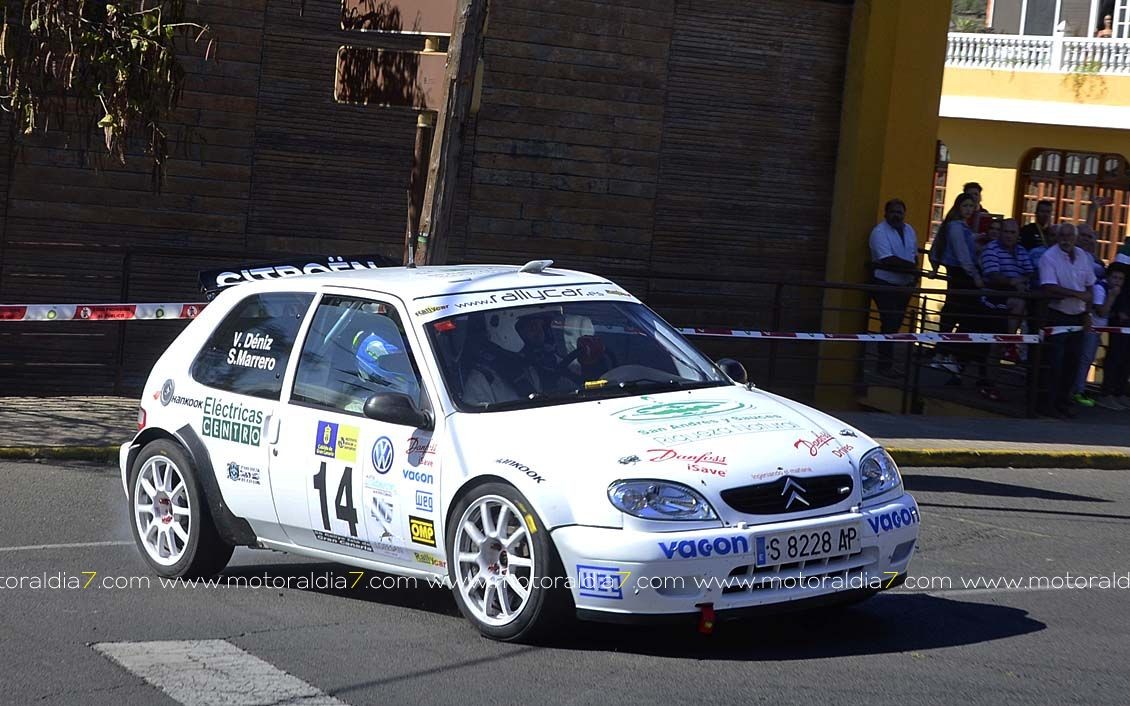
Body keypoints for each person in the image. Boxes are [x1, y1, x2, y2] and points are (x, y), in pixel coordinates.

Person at [1039, 223, 1097, 417]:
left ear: (1075, 238)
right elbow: (1048, 287)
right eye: (1062, 236)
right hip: (1057, 315)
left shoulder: (1082, 256)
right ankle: (1047, 404)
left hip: (1078, 316)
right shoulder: (1049, 257)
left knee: (1072, 362)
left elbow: (1090, 286)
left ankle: (1063, 401)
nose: (1065, 240)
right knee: (1054, 362)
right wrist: (1077, 294)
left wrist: (1088, 314)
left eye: (1069, 236)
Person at [931, 193, 984, 377]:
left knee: (954, 313)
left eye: (971, 206)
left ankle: (944, 352)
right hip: (961, 275)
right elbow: (962, 254)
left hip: (959, 274)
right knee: (965, 315)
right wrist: (974, 274)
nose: (969, 210)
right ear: (958, 206)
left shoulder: (960, 226)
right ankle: (949, 353)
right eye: (965, 206)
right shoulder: (955, 227)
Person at [979, 219, 1032, 399]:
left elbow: (1030, 273)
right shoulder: (991, 250)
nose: (1009, 236)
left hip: (1014, 298)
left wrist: (1019, 282)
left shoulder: (1021, 251)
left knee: (999, 345)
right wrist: (1013, 282)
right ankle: (989, 383)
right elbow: (993, 275)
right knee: (994, 346)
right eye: (1006, 232)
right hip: (992, 300)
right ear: (1000, 233)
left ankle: (1009, 343)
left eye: (1013, 232)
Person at [868, 198, 918, 375]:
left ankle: (887, 364)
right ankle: (884, 365)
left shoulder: (909, 230)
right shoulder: (879, 232)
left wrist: (913, 276)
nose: (896, 215)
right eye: (893, 212)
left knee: (895, 324)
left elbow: (914, 254)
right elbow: (887, 259)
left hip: (904, 285)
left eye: (900, 212)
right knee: (889, 323)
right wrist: (912, 269)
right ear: (886, 213)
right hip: (885, 283)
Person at [1077, 265, 1125, 409]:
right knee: (1085, 359)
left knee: (1088, 358)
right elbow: (1102, 312)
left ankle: (1079, 388)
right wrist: (1112, 296)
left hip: (1097, 329)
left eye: (1120, 279)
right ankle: (1078, 390)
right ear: (1108, 277)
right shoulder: (1100, 289)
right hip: (1091, 328)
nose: (1117, 281)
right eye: (1114, 277)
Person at [1099, 264, 1130, 409]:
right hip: (1121, 320)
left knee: (1127, 358)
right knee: (1115, 356)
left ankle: (1120, 392)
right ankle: (1106, 393)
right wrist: (1121, 311)